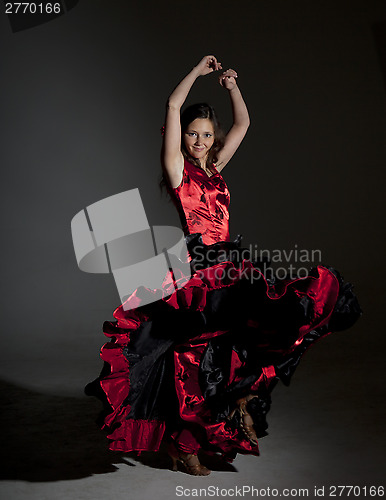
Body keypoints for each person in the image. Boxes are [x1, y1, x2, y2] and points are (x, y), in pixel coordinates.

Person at [85, 55, 361, 476]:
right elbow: (174, 106)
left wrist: (232, 87)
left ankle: (239, 400)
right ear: (183, 139)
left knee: (257, 333)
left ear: (213, 140)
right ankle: (184, 442)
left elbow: (244, 125)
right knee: (194, 352)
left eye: (205, 135)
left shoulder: (215, 167)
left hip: (231, 264)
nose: (198, 140)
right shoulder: (177, 171)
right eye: (193, 135)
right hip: (199, 266)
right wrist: (198, 72)